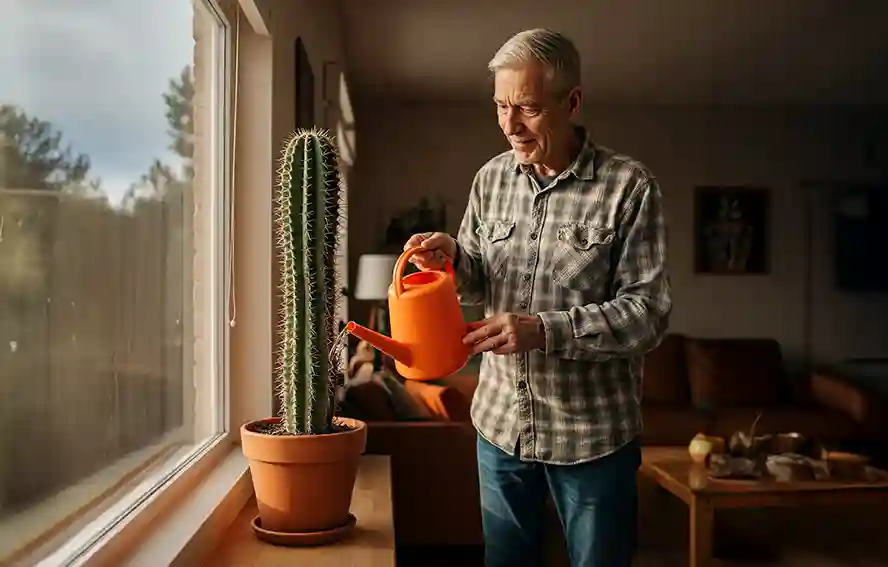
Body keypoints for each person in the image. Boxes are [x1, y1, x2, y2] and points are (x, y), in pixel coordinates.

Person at [404, 28, 671, 567]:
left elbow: (648, 314)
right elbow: (479, 280)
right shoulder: (491, 179)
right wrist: (450, 261)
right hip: (500, 429)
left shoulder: (629, 187)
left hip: (593, 440)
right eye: (500, 105)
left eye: (525, 106)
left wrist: (544, 329)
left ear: (571, 102)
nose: (509, 124)